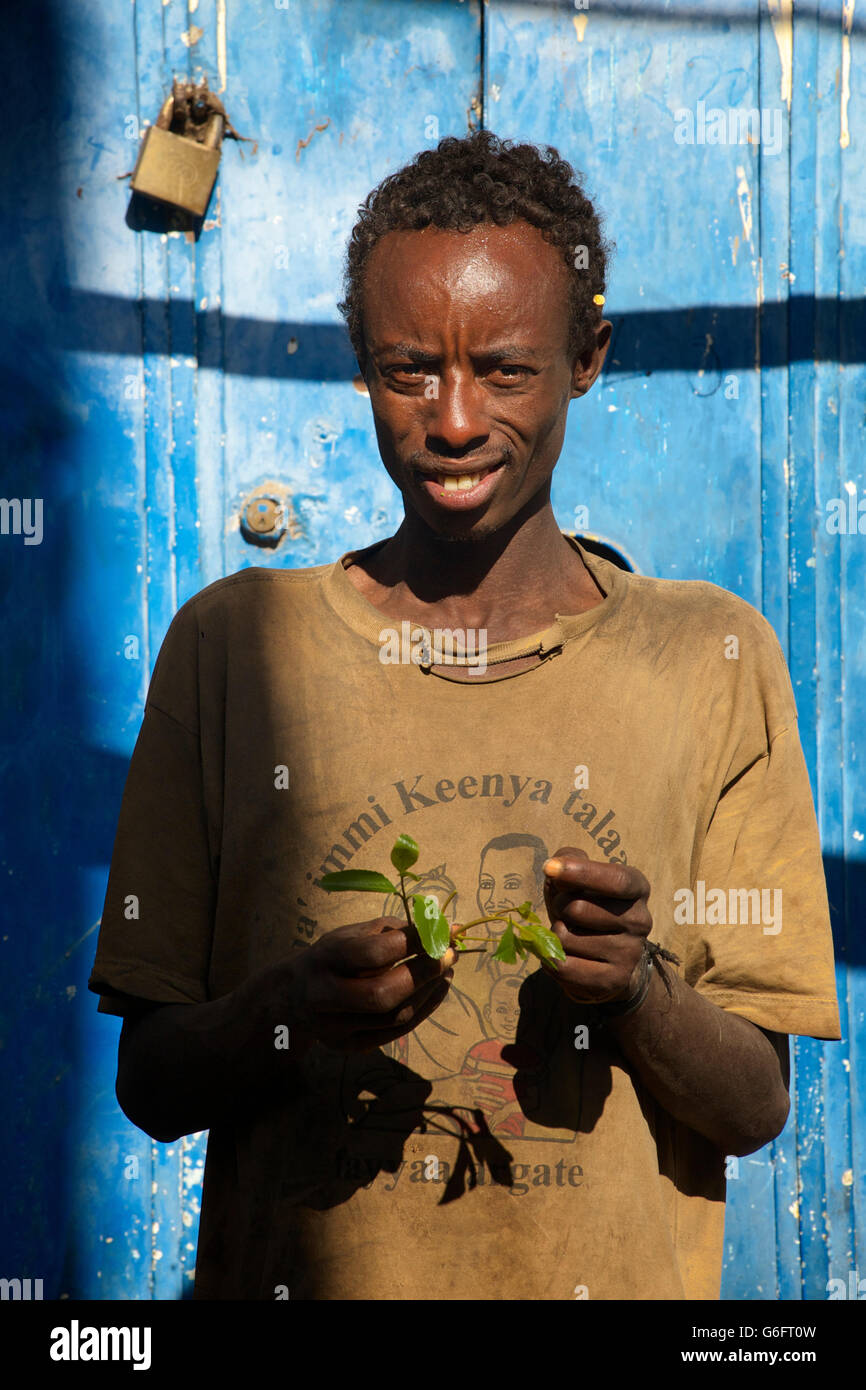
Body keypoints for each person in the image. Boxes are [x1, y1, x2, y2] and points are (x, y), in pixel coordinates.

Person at [89, 131, 841, 1301]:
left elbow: (751, 1105)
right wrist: (286, 1009)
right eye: (405, 370)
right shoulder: (230, 649)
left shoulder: (708, 653)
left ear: (585, 357)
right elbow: (150, 1083)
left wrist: (632, 986)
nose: (449, 421)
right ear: (359, 363)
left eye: (502, 369)